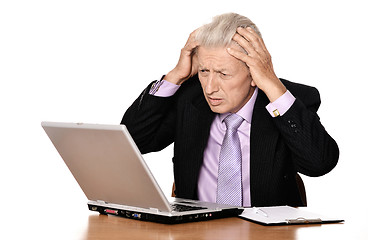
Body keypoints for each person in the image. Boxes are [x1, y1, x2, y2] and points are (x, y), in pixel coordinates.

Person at [121, 13, 339, 207]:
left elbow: (319, 164)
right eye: (204, 71)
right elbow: (132, 141)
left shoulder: (284, 101)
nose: (209, 87)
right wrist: (176, 75)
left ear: (254, 73)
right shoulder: (189, 99)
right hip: (195, 233)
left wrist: (272, 85)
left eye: (223, 74)